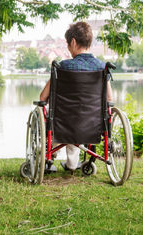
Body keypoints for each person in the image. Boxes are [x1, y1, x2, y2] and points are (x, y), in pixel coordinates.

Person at [39, 21, 113, 172]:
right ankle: (72, 164)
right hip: (93, 125)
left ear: (72, 42)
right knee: (78, 118)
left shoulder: (62, 67)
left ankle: (49, 158)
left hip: (63, 124)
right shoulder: (102, 67)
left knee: (56, 116)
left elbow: (42, 97)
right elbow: (109, 100)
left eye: (67, 44)